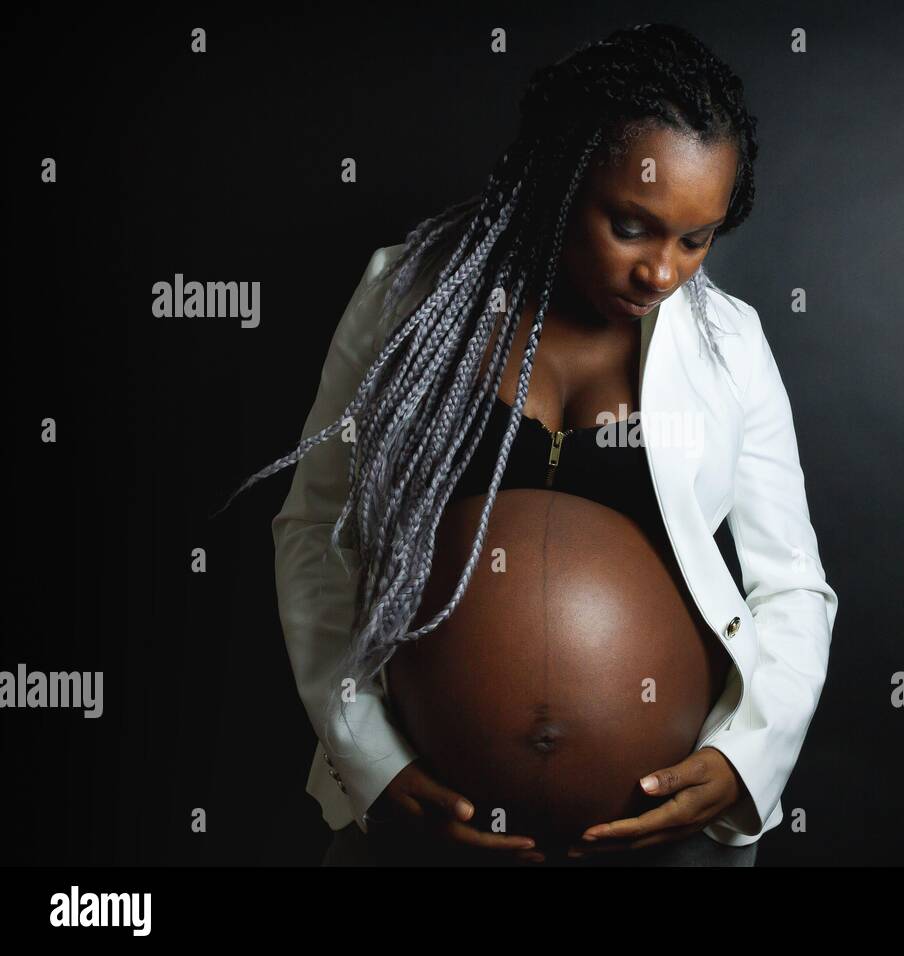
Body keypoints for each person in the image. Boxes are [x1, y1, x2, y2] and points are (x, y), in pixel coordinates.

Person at [219, 23, 837, 867]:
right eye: (632, 226)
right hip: (423, 825)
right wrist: (370, 758)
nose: (661, 272)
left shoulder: (733, 348)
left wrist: (744, 761)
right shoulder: (404, 296)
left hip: (663, 835)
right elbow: (316, 533)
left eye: (695, 240)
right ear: (561, 177)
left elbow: (792, 585)